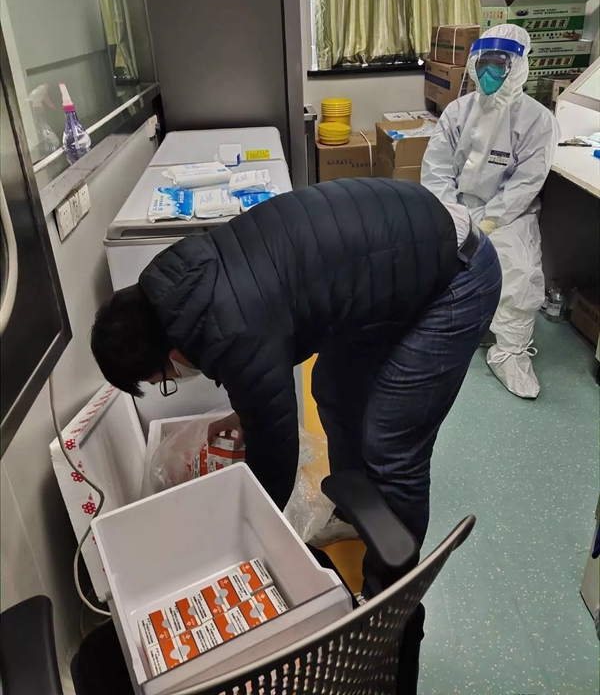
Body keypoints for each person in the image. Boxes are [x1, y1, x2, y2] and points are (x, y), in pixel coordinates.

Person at [91, 179, 501, 560]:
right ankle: (354, 514)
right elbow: (270, 336)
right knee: (334, 389)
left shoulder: (229, 328)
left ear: (167, 351)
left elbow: (274, 456)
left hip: (456, 275)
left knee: (391, 446)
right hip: (399, 256)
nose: (174, 382)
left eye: (163, 380)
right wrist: (249, 413)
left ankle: (390, 591)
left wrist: (242, 540)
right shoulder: (185, 286)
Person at [421, 24, 559, 399]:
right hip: (457, 204)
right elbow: (436, 169)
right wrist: (451, 214)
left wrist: (491, 220)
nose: (489, 74)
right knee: (430, 258)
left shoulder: (538, 121)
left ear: (517, 68)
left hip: (510, 213)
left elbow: (526, 182)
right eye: (484, 65)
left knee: (519, 270)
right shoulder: (457, 111)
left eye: (499, 66)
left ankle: (510, 352)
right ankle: (440, 329)